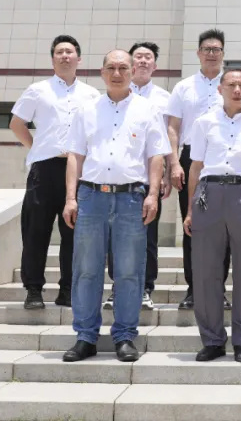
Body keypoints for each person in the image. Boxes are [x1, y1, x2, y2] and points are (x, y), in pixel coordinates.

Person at [60, 50, 170, 363]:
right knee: (86, 270)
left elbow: (156, 156)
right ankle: (85, 336)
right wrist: (71, 198)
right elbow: (75, 156)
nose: (117, 73)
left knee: (130, 271)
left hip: (131, 198)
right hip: (91, 197)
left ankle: (124, 336)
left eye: (123, 67)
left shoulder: (147, 109)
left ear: (133, 71)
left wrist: (152, 195)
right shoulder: (87, 109)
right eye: (111, 68)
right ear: (102, 72)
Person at [184, 68, 241, 363]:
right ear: (220, 89)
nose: (237, 90)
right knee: (205, 271)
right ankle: (212, 340)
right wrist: (190, 210)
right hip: (209, 194)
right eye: (231, 84)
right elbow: (195, 168)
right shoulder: (203, 123)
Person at [10, 35, 101, 311]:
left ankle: (68, 290)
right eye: (59, 52)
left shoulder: (92, 95)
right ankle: (33, 289)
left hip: (78, 170)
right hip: (44, 168)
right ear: (53, 59)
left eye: (69, 52)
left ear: (78, 59)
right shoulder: (37, 90)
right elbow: (16, 124)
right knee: (36, 230)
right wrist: (37, 147)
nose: (64, 56)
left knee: (74, 233)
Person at [104, 42, 175, 312]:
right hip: (119, 178)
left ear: (155, 65)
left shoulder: (165, 98)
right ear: (131, 65)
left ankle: (145, 288)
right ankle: (117, 288)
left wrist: (167, 173)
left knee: (148, 236)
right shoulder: (115, 95)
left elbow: (167, 138)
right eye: (139, 57)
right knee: (116, 238)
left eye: (148, 57)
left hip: (149, 179)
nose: (143, 61)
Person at [167, 29, 231, 310]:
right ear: (198, 53)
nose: (211, 54)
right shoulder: (184, 87)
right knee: (192, 225)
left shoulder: (233, 84)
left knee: (222, 230)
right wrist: (174, 163)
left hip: (223, 160)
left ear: (223, 53)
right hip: (190, 159)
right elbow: (173, 128)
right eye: (207, 49)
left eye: (216, 49)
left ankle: (218, 290)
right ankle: (193, 289)